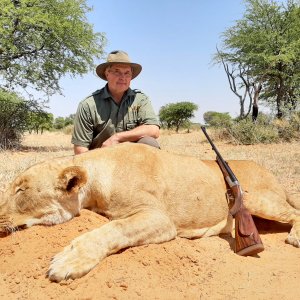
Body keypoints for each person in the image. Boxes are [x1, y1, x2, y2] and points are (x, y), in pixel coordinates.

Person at [71, 50, 160, 155]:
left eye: (127, 73)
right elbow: (80, 150)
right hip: (100, 161)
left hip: (133, 160)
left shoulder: (140, 100)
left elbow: (153, 129)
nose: (122, 77)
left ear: (131, 76)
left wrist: (117, 138)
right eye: (117, 71)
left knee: (149, 143)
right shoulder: (88, 105)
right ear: (107, 74)